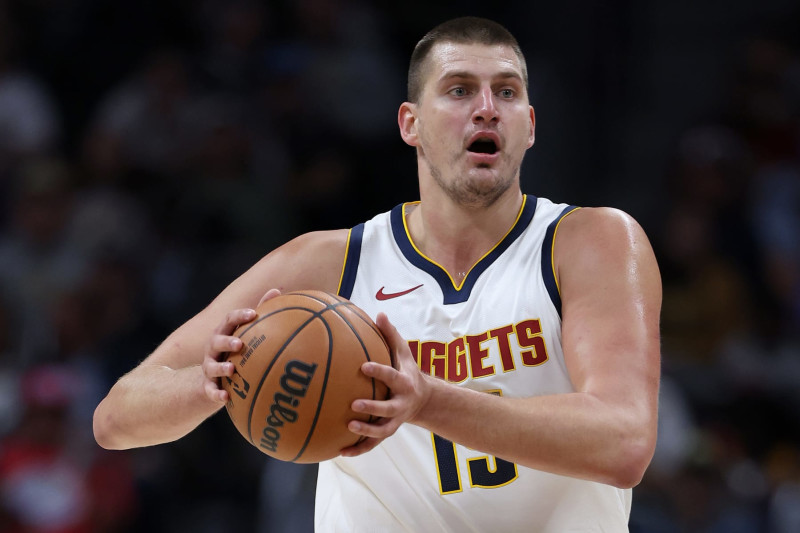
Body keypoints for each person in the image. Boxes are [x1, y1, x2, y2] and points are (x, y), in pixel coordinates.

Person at [93, 16, 662, 532]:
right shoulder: (325, 264)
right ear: (410, 124)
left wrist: (425, 401)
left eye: (507, 92)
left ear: (530, 125)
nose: (487, 107)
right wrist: (208, 382)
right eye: (460, 90)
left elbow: (623, 442)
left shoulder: (591, 243)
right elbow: (116, 418)